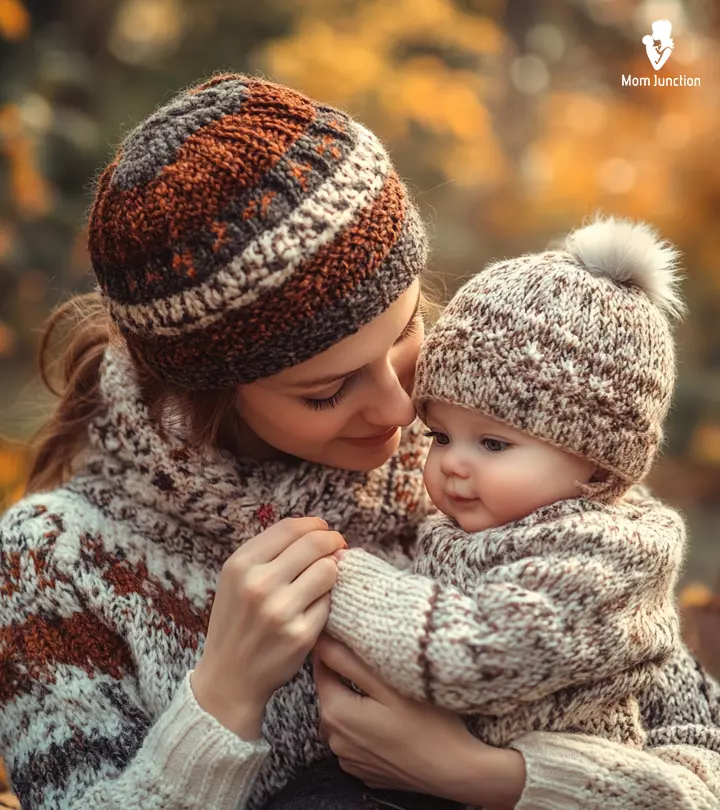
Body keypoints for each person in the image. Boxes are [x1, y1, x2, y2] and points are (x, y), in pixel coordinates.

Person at [0, 73, 717, 810]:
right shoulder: (56, 566)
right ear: (205, 391)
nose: (402, 406)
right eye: (326, 391)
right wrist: (220, 703)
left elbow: (702, 759)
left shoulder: (493, 473)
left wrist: (492, 777)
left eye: (407, 329)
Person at [324, 217, 688, 751]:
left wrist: (341, 579)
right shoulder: (477, 524)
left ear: (598, 468)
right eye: (440, 436)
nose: (452, 464)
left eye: (492, 444)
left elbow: (481, 656)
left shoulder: (599, 557)